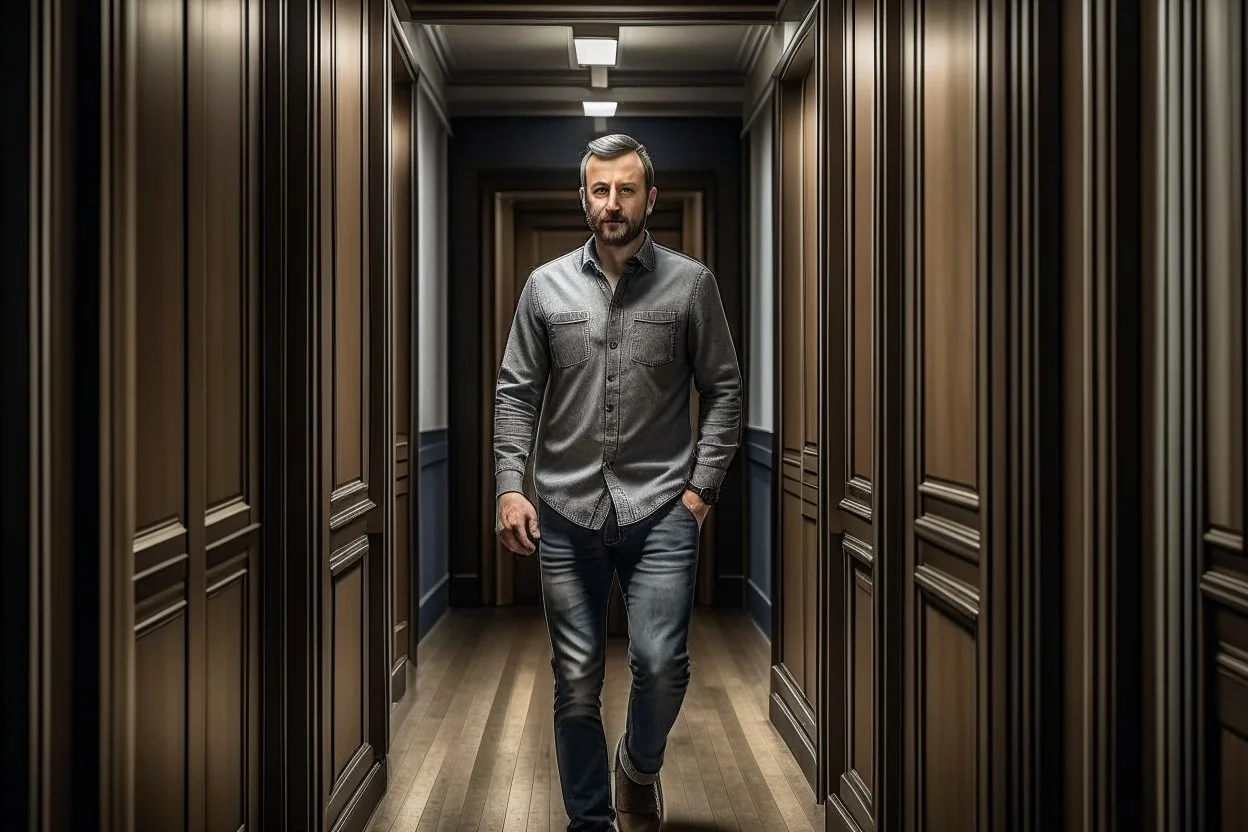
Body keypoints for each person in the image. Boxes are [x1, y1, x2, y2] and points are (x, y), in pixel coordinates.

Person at [492, 133, 742, 832]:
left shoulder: (692, 285)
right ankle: (591, 822)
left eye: (626, 190)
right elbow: (515, 393)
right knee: (575, 683)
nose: (612, 203)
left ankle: (638, 764)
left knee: (662, 665)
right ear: (584, 198)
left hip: (663, 508)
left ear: (649, 198)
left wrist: (700, 491)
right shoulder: (543, 287)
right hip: (566, 511)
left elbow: (724, 390)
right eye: (600, 190)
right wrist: (511, 485)